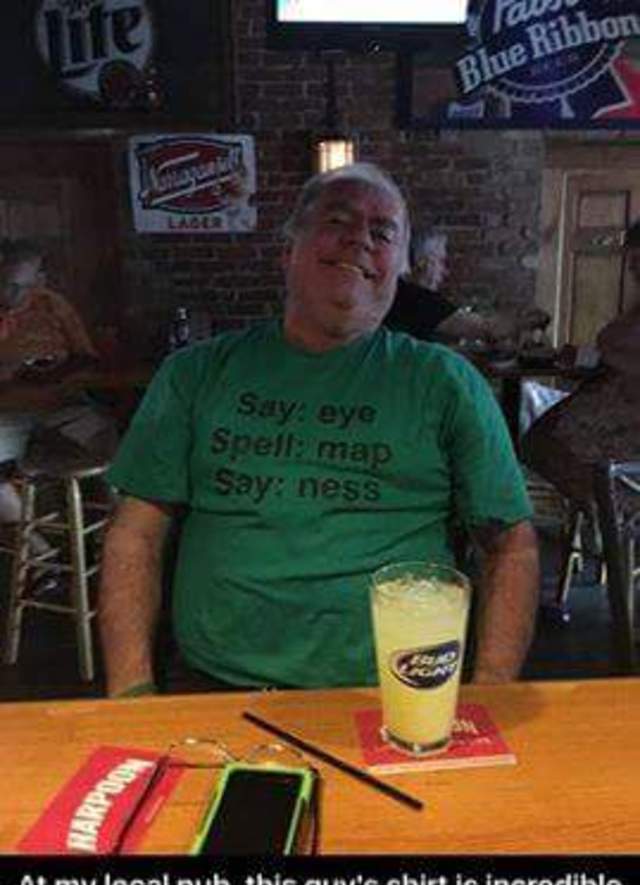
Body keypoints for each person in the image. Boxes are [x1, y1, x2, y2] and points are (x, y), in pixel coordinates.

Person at [99, 162, 539, 698]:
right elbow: (136, 533)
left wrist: (492, 688)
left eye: (383, 232)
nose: (361, 239)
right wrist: (131, 692)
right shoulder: (194, 373)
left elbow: (511, 546)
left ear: (400, 268)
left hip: (401, 690)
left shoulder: (447, 381)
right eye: (338, 221)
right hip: (214, 686)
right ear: (289, 251)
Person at [0, 239, 118, 584]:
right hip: (9, 415)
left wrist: (54, 370)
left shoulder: (53, 305)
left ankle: (109, 545)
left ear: (40, 281)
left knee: (112, 446)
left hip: (63, 406)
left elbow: (86, 357)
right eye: (7, 285)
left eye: (22, 286)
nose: (12, 294)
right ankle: (42, 559)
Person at [522, 219, 640, 507]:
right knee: (537, 438)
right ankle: (601, 514)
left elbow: (619, 348)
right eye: (631, 260)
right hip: (609, 406)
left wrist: (603, 357)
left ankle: (612, 512)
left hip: (628, 425)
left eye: (638, 260)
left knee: (544, 443)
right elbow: (612, 352)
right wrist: (582, 358)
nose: (632, 268)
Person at [384, 228, 456, 340]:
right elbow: (479, 327)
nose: (445, 272)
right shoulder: (410, 297)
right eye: (441, 262)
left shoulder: (395, 291)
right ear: (421, 262)